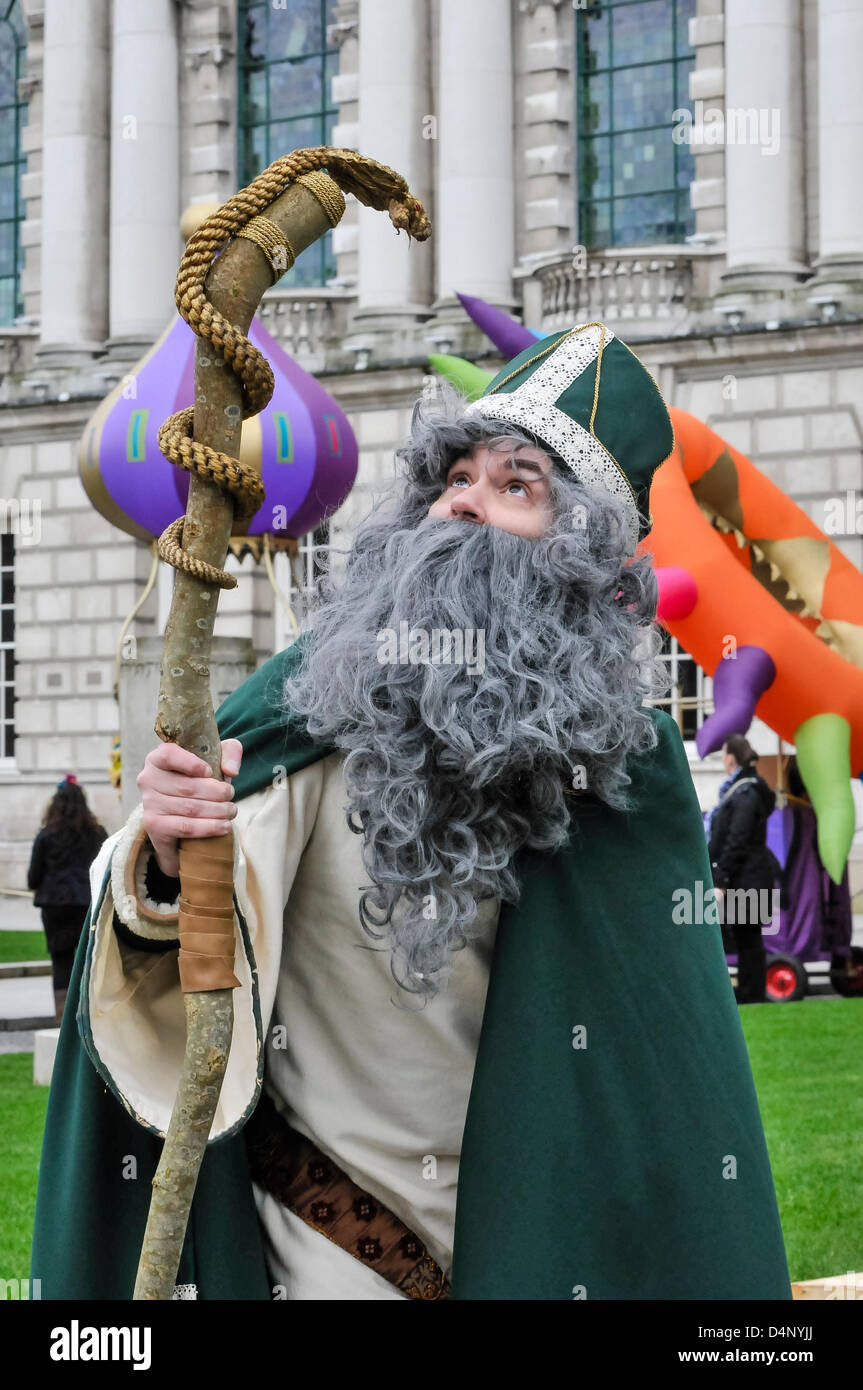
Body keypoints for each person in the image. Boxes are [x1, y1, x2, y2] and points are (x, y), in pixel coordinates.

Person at [33, 323, 791, 1300]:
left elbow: (662, 1090)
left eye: (514, 485)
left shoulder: (617, 772)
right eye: (454, 477)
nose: (465, 501)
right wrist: (171, 859)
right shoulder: (300, 706)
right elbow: (178, 951)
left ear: (578, 551)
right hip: (318, 1248)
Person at [26, 774, 108, 1025]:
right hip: (87, 904)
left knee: (60, 962)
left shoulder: (46, 835)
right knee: (88, 961)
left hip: (55, 907)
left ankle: (62, 1019)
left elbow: (33, 877)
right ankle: (88, 1017)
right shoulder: (97, 833)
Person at [709, 735, 780, 1005]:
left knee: (749, 938)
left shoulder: (745, 793)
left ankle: (752, 993)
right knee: (746, 937)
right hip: (748, 877)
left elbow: (737, 839)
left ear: (730, 758)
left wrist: (722, 877)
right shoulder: (745, 789)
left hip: (746, 879)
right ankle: (750, 991)